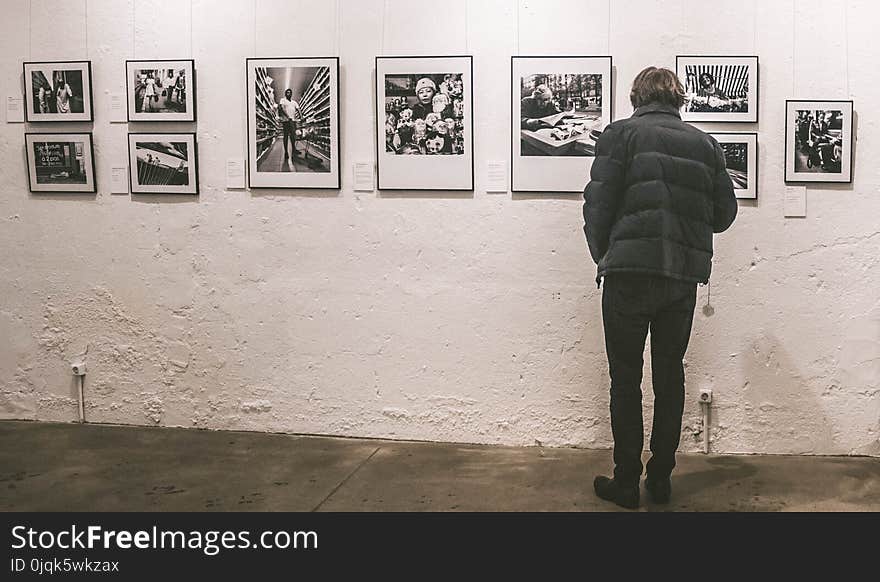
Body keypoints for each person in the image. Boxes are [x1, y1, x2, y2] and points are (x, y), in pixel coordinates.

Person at [582, 67, 737, 509]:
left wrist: (605, 255)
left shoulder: (620, 135)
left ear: (636, 96)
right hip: (680, 279)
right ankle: (662, 478)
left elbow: (597, 204)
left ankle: (626, 482)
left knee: (625, 379)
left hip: (628, 277)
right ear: (678, 98)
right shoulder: (705, 145)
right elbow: (724, 215)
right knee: (671, 376)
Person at [278, 88, 300, 161]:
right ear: (285, 94)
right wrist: (287, 116)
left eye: (290, 92)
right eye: (287, 92)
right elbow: (281, 108)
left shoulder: (294, 102)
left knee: (293, 136)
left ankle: (294, 149)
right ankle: (286, 152)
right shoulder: (283, 100)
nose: (289, 94)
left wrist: (301, 116)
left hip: (292, 121)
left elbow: (298, 109)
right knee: (286, 136)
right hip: (286, 121)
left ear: (291, 94)